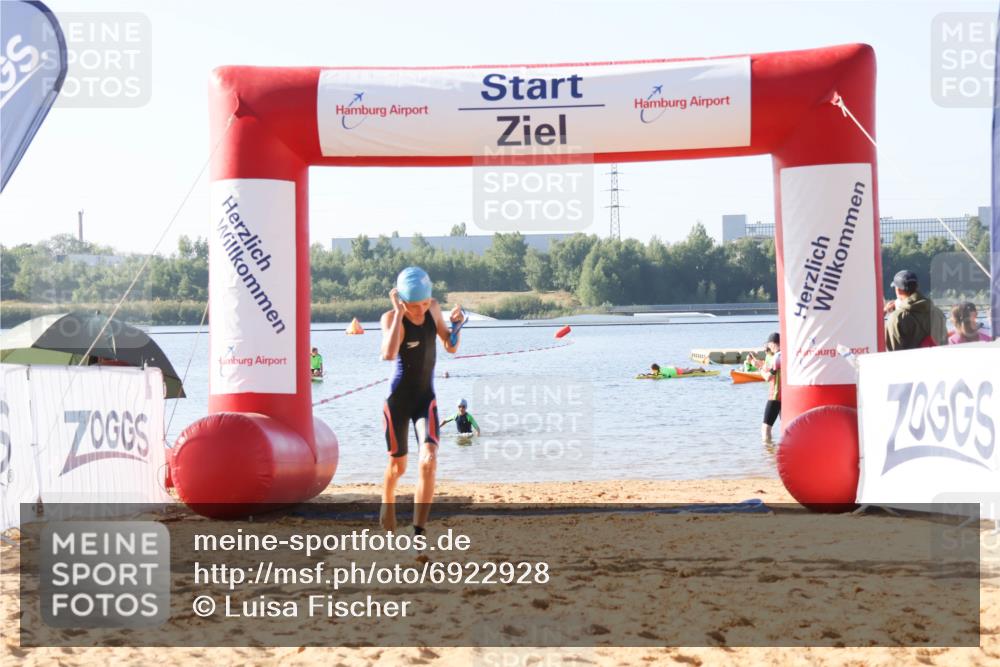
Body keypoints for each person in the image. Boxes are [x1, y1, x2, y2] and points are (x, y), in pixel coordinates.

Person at [379, 266, 464, 537]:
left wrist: (457, 327)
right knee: (398, 467)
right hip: (398, 403)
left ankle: (418, 531)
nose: (421, 311)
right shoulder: (391, 317)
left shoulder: (433, 309)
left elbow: (450, 346)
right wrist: (400, 314)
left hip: (425, 399)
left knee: (428, 459)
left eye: (425, 303)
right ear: (401, 300)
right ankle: (387, 498)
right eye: (414, 306)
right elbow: (389, 353)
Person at [884, 270, 947, 350]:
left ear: (898, 290)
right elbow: (945, 344)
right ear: (917, 287)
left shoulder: (895, 318)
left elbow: (893, 353)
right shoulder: (938, 313)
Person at [760, 332, 781, 444]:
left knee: (765, 429)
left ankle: (768, 453)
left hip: (775, 396)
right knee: (786, 427)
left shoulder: (777, 357)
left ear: (772, 344)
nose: (769, 348)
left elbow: (768, 377)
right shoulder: (786, 355)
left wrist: (760, 370)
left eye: (769, 345)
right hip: (786, 397)